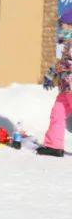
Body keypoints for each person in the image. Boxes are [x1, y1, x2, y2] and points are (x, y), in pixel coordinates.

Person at [37, 11, 72, 156]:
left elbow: (67, 64)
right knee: (57, 113)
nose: (61, 28)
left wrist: (51, 74)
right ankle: (54, 146)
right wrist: (50, 75)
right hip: (65, 87)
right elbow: (63, 62)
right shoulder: (67, 43)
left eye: (62, 25)